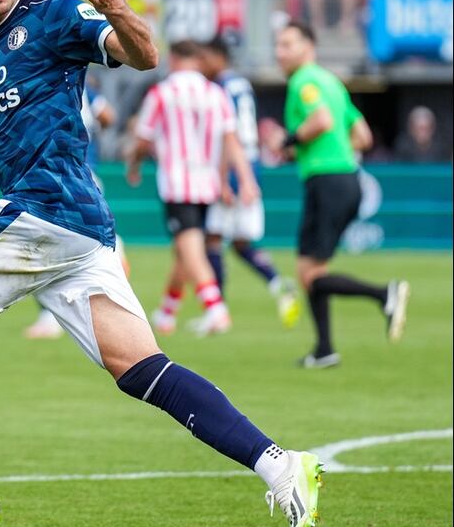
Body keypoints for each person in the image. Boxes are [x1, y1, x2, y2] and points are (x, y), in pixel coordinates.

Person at [0, 0, 321, 527]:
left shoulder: (56, 16)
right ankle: (281, 465)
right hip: (78, 228)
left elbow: (144, 55)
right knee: (140, 368)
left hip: (48, 205)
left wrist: (119, 10)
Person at [271, 20, 410, 369]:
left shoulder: (304, 80)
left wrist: (288, 141)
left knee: (311, 275)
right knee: (310, 269)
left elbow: (321, 121)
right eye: (278, 45)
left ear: (308, 47)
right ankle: (324, 350)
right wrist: (327, 150)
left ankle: (384, 294)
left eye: (287, 44)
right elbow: (363, 136)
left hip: (327, 181)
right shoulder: (332, 81)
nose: (279, 52)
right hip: (346, 178)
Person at [127, 40, 258, 337]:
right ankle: (167, 311)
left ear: (173, 59)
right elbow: (231, 140)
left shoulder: (162, 93)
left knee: (191, 248)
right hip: (207, 184)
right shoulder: (216, 93)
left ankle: (216, 309)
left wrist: (133, 165)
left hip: (177, 183)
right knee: (185, 249)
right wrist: (244, 180)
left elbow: (143, 139)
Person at [199, 36, 300, 328]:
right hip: (251, 163)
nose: (202, 64)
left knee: (212, 237)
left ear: (218, 56)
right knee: (241, 242)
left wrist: (224, 179)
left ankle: (217, 310)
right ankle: (278, 283)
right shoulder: (242, 84)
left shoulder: (220, 87)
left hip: (233, 164)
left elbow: (227, 134)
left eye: (206, 57)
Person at [24, 75, 123, 340]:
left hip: (62, 175)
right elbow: (109, 116)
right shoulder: (85, 90)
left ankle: (52, 314)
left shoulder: (46, 85)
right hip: (88, 175)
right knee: (91, 242)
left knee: (41, 241)